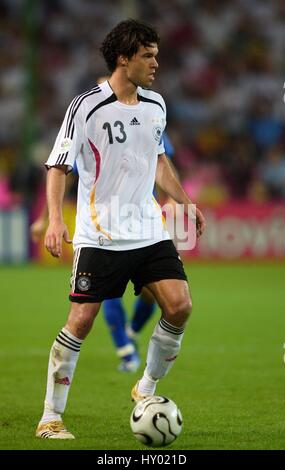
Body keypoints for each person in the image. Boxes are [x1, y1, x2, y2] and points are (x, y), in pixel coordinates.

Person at [36, 19, 205, 439]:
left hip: (148, 228)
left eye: (157, 56)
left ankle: (145, 387)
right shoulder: (86, 106)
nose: (155, 64)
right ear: (123, 58)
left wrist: (185, 202)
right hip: (101, 234)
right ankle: (50, 417)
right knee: (81, 321)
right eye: (147, 56)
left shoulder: (156, 105)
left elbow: (159, 161)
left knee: (180, 306)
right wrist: (56, 219)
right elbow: (59, 165)